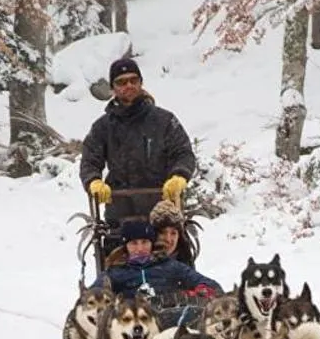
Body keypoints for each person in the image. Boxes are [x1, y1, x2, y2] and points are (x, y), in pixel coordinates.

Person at [80, 56, 196, 223]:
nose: (129, 85)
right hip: (120, 212)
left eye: (133, 80)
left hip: (161, 211)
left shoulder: (165, 121)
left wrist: (179, 175)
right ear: (113, 88)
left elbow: (183, 152)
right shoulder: (103, 127)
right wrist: (93, 181)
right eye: (121, 82)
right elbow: (89, 159)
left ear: (141, 83)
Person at [96, 218, 223, 300]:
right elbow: (93, 294)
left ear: (152, 243)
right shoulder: (115, 272)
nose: (140, 248)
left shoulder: (170, 266)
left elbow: (211, 286)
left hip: (170, 321)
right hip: (132, 325)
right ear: (126, 246)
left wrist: (198, 292)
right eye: (134, 243)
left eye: (145, 242)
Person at [149, 200, 198, 264]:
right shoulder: (140, 265)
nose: (168, 239)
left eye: (173, 233)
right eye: (162, 232)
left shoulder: (186, 262)